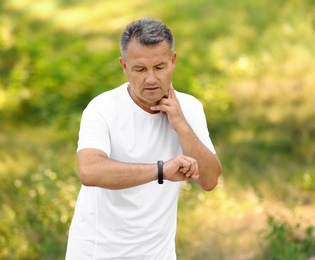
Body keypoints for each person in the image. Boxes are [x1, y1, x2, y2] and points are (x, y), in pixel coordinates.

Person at [65, 17, 222, 260]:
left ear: (173, 61)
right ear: (124, 66)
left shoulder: (189, 108)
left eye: (159, 67)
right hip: (98, 253)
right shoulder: (102, 108)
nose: (150, 79)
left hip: (158, 253)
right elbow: (90, 171)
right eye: (140, 69)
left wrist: (181, 124)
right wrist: (162, 171)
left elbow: (210, 179)